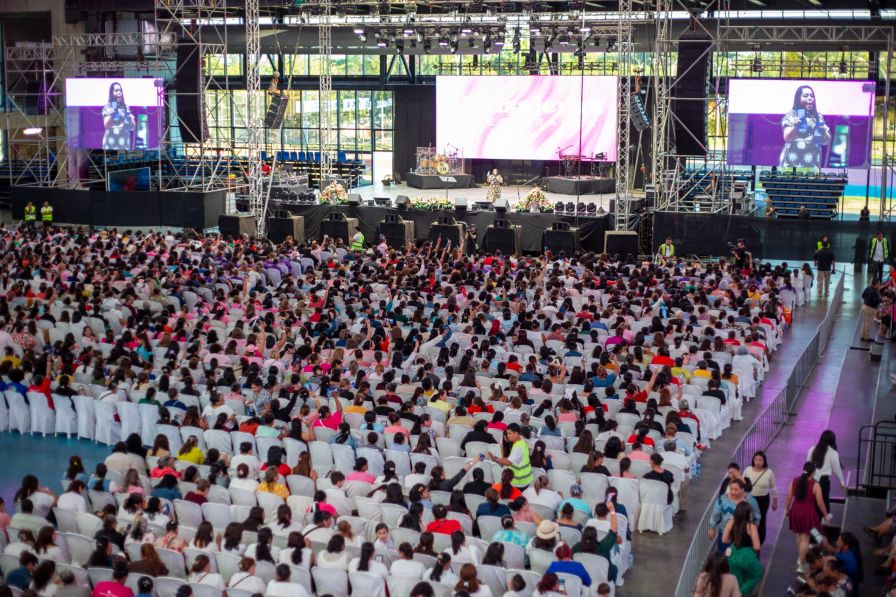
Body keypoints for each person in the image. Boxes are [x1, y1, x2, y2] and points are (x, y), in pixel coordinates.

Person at [786, 461, 829, 570]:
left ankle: (801, 558)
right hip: (807, 513)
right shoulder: (815, 485)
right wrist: (826, 515)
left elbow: (788, 498)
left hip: (795, 511)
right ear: (813, 472)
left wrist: (787, 510)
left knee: (798, 536)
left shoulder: (794, 481)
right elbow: (820, 503)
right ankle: (801, 564)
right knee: (805, 539)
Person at [779, 84, 831, 168]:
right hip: (792, 163)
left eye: (812, 96)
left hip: (812, 164)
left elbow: (825, 142)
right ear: (798, 98)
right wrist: (795, 127)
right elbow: (787, 138)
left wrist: (825, 132)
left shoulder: (818, 116)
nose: (810, 98)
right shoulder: (792, 115)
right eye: (805, 96)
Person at [742, 450, 777, 545]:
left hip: (763, 500)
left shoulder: (769, 472)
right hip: (749, 499)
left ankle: (759, 540)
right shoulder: (748, 470)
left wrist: (775, 502)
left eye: (760, 460)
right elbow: (742, 483)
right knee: (748, 519)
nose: (757, 462)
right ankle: (748, 539)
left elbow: (773, 488)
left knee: (760, 519)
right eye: (756, 459)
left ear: (764, 461)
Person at [807, 429, 845, 513]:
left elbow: (807, 465)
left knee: (812, 500)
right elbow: (837, 470)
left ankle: (812, 517)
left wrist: (806, 477)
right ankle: (825, 517)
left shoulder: (812, 449)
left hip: (811, 479)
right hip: (823, 481)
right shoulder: (833, 453)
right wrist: (842, 483)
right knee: (824, 500)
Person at [486, 423, 532, 490]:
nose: (507, 436)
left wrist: (494, 458)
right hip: (525, 478)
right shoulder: (521, 441)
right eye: (507, 434)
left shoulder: (518, 448)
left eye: (509, 434)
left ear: (516, 434)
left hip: (518, 481)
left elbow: (508, 462)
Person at [102, 81, 136, 151]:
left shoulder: (126, 107)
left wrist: (130, 119)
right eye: (116, 91)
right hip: (111, 144)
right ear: (111, 93)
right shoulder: (108, 107)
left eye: (120, 90)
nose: (119, 92)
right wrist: (111, 115)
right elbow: (106, 125)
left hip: (124, 145)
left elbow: (132, 127)